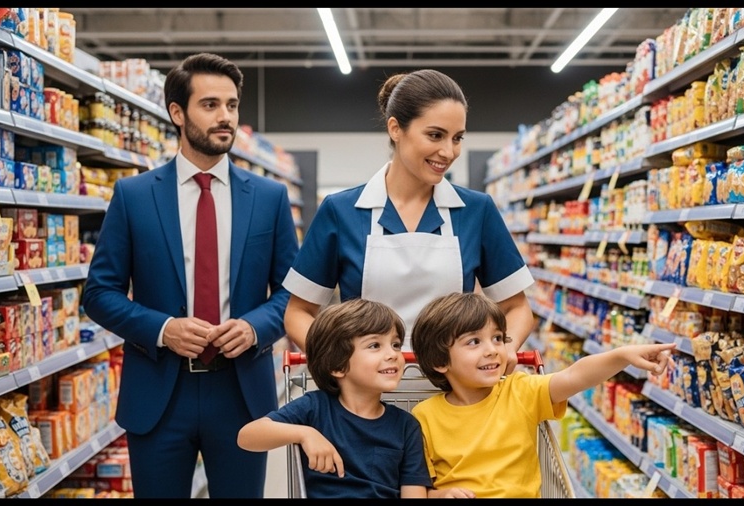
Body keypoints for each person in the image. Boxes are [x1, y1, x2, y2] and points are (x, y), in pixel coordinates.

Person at [81, 52, 299, 498]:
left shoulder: (269, 197)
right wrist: (163, 329)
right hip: (161, 391)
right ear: (177, 113)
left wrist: (256, 327)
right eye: (211, 105)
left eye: (232, 105)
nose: (226, 117)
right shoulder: (134, 196)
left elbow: (291, 296)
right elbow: (100, 293)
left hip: (241, 392)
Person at [282, 69, 534, 370]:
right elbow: (298, 312)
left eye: (457, 138)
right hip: (366, 396)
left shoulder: (475, 210)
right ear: (395, 129)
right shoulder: (342, 211)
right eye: (435, 135)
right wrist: (341, 363)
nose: (448, 151)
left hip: (455, 392)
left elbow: (517, 307)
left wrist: (507, 346)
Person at [410, 292, 676, 499]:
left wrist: (622, 355)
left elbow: (575, 376)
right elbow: (417, 487)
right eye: (474, 342)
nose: (492, 350)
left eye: (498, 338)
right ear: (439, 360)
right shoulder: (425, 417)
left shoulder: (520, 391)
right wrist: (439, 494)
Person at [237, 298, 432, 498]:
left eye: (396, 344)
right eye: (375, 345)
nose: (392, 354)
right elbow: (247, 437)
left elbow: (413, 492)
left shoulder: (406, 426)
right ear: (337, 366)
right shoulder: (315, 408)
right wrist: (305, 434)